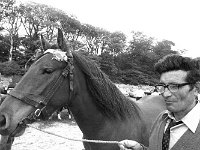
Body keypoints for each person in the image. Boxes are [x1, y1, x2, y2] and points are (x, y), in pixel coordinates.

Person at [118, 54, 200, 150]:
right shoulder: (161, 119)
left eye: (174, 86)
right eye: (162, 86)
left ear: (196, 88)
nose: (165, 94)